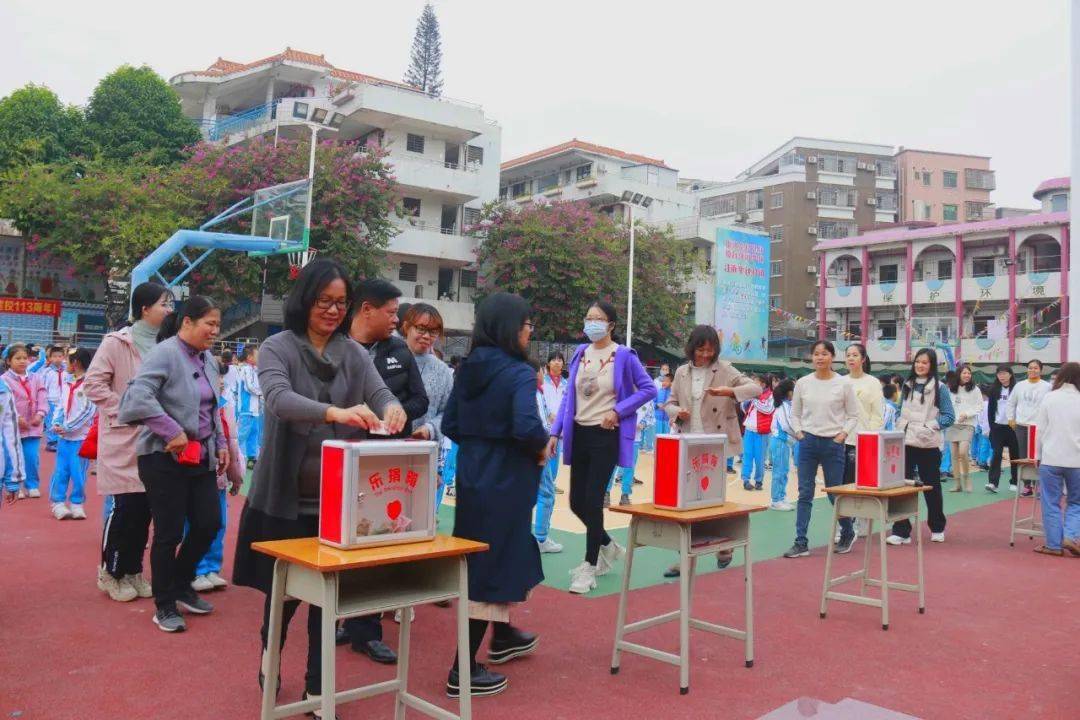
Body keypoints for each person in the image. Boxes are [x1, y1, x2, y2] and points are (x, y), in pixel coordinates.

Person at [232, 260, 403, 712]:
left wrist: (392, 409)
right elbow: (278, 399)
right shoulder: (278, 347)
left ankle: (316, 686)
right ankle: (271, 650)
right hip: (286, 495)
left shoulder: (353, 351)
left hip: (338, 499)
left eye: (340, 303)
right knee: (283, 595)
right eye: (324, 301)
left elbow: (379, 392)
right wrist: (336, 413)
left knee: (328, 599)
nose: (332, 310)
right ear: (304, 300)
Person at [441, 292, 548, 698]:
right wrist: (539, 446)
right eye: (525, 323)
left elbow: (451, 422)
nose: (529, 330)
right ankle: (461, 670)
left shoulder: (468, 369)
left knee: (489, 558)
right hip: (507, 478)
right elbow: (525, 426)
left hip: (472, 475)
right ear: (509, 328)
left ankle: (503, 636)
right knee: (494, 567)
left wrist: (480, 444)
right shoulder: (519, 373)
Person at [117, 297, 230, 633]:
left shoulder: (208, 359)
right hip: (162, 459)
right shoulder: (164, 353)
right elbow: (137, 397)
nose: (214, 331)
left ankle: (181, 583)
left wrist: (221, 445)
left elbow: (213, 408)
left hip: (201, 457)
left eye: (217, 325)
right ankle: (164, 604)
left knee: (209, 523)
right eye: (209, 323)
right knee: (168, 533)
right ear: (186, 323)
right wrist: (172, 430)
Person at [342, 277, 429, 664]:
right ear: (366, 310)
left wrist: (394, 418)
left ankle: (367, 631)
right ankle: (337, 617)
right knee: (339, 541)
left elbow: (419, 399)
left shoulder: (398, 351)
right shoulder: (337, 347)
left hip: (383, 461)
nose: (397, 320)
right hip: (342, 459)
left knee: (376, 540)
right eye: (392, 312)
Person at [548, 301, 656, 595]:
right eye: (588, 317)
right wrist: (555, 433)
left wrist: (618, 411)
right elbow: (570, 397)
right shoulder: (580, 354)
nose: (591, 323)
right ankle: (607, 544)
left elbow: (649, 389)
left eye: (598, 319)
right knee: (575, 502)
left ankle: (589, 566)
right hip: (579, 433)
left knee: (593, 500)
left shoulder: (623, 356)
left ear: (611, 325)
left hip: (605, 435)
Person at [86, 282, 172, 603]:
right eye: (164, 303)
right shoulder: (116, 343)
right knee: (126, 509)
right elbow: (94, 385)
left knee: (147, 510)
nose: (169, 310)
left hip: (155, 441)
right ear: (145, 308)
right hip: (124, 439)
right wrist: (125, 410)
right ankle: (111, 571)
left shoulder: (166, 344)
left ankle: (134, 570)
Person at [661, 325, 761, 577]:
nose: (705, 355)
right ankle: (685, 558)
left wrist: (729, 391)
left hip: (714, 442)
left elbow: (755, 389)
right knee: (685, 500)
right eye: (700, 349)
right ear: (691, 348)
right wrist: (677, 412)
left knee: (713, 497)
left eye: (710, 350)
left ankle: (724, 547)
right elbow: (669, 403)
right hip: (687, 440)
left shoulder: (724, 369)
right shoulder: (682, 372)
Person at [784, 340, 860, 559]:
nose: (819, 358)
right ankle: (801, 542)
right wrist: (799, 433)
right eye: (816, 354)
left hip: (833, 444)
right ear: (811, 357)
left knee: (834, 493)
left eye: (824, 354)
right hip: (807, 442)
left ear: (832, 357)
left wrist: (842, 435)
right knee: (804, 493)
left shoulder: (843, 384)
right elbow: (795, 413)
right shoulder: (803, 383)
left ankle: (847, 531)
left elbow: (853, 415)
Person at [886, 348, 956, 546]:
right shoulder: (907, 385)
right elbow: (899, 410)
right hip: (905, 442)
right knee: (901, 487)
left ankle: (937, 527)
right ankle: (901, 530)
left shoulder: (940, 388)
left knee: (931, 487)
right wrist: (900, 423)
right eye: (918, 361)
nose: (920, 365)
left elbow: (949, 416)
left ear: (932, 365)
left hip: (927, 443)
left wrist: (929, 426)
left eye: (925, 362)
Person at [191, 388, 244, 593]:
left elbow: (232, 441)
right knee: (196, 522)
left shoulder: (224, 405)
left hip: (219, 476)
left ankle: (211, 568)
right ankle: (196, 569)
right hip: (198, 470)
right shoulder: (193, 401)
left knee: (218, 523)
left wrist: (236, 474)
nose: (219, 384)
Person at [402, 303, 454, 511]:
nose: (426, 336)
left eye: (433, 331)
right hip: (387, 449)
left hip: (423, 454)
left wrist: (429, 429)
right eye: (420, 329)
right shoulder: (389, 358)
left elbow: (448, 413)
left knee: (419, 515)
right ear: (407, 327)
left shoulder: (442, 371)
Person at [1032, 361, 1080, 557]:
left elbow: (1040, 429)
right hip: (1077, 461)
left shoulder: (1049, 398)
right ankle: (1070, 535)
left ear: (1060, 376)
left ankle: (1053, 545)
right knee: (1076, 502)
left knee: (1050, 502)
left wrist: (1037, 455)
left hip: (1051, 458)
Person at [48, 348, 96, 520]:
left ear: (75, 363)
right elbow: (61, 406)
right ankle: (58, 502)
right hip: (64, 438)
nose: (65, 364)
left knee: (78, 472)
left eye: (68, 361)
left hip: (80, 438)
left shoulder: (89, 384)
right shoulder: (68, 382)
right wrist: (56, 423)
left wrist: (68, 426)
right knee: (61, 470)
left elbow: (88, 410)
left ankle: (76, 502)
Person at [2, 344, 48, 499]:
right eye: (17, 358)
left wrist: (41, 414)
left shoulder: (35, 377)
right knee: (14, 456)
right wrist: (16, 417)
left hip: (33, 426)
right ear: (8, 361)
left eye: (25, 358)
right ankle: (16, 485)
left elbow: (42, 396)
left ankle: (32, 484)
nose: (22, 361)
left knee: (31, 456)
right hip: (13, 428)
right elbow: (4, 402)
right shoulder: (4, 380)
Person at [535, 352, 567, 553]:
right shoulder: (538, 390)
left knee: (545, 485)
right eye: (553, 359)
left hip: (553, 435)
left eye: (560, 359)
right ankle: (540, 537)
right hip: (541, 443)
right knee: (545, 492)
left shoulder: (565, 383)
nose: (556, 362)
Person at [1007, 358, 1051, 496]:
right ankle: (1027, 486)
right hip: (1021, 425)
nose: (1032, 370)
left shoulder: (1047, 386)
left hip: (1039, 427)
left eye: (1035, 368)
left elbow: (1051, 405)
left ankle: (1038, 485)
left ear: (1041, 370)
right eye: (1030, 367)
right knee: (1023, 456)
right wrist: (1011, 419)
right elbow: (1011, 403)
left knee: (1038, 456)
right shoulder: (1020, 385)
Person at [609, 397, 654, 506]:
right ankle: (605, 493)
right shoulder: (622, 392)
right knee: (611, 465)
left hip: (635, 438)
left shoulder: (648, 400)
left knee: (630, 467)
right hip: (617, 435)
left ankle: (625, 495)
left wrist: (643, 424)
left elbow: (650, 417)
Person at [946, 364, 984, 493]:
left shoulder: (975, 389)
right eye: (964, 373)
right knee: (954, 455)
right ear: (959, 374)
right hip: (953, 424)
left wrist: (967, 414)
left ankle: (967, 479)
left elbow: (979, 406)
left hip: (968, 424)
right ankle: (957, 484)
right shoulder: (951, 389)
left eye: (969, 373)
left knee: (963, 452)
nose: (967, 375)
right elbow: (947, 405)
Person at [986, 365, 1020, 493]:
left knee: (1015, 455)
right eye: (999, 374)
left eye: (1004, 373)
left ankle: (1015, 481)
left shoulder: (1017, 389)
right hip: (998, 427)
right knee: (996, 454)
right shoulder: (994, 389)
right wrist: (992, 426)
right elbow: (990, 410)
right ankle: (993, 482)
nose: (1002, 376)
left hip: (1013, 427)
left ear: (1010, 374)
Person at [740, 375, 774, 491]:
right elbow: (744, 408)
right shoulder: (752, 395)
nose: (753, 385)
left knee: (760, 458)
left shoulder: (770, 396)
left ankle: (759, 480)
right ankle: (746, 480)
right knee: (747, 455)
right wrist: (747, 401)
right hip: (749, 429)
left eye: (756, 383)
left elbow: (768, 410)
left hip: (762, 431)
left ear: (763, 384)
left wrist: (755, 400)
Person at [769, 378, 796, 511]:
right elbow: (786, 425)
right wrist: (799, 434)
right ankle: (775, 500)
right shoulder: (783, 406)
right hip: (780, 441)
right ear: (789, 392)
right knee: (779, 471)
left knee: (784, 470)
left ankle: (782, 496)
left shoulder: (789, 404)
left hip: (786, 442)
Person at [235, 346, 263, 468]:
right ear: (249, 357)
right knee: (242, 434)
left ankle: (252, 458)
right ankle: (235, 456)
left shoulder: (254, 369)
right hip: (246, 409)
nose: (259, 357)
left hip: (255, 409)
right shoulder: (246, 369)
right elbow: (249, 386)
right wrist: (263, 392)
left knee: (254, 433)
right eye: (257, 355)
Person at [38, 345, 66, 452]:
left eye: (60, 356)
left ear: (63, 357)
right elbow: (43, 386)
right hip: (50, 400)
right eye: (54, 356)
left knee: (60, 421)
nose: (57, 359)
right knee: (50, 422)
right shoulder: (47, 371)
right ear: (49, 358)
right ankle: (51, 442)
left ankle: (59, 441)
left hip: (62, 401)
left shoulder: (66, 371)